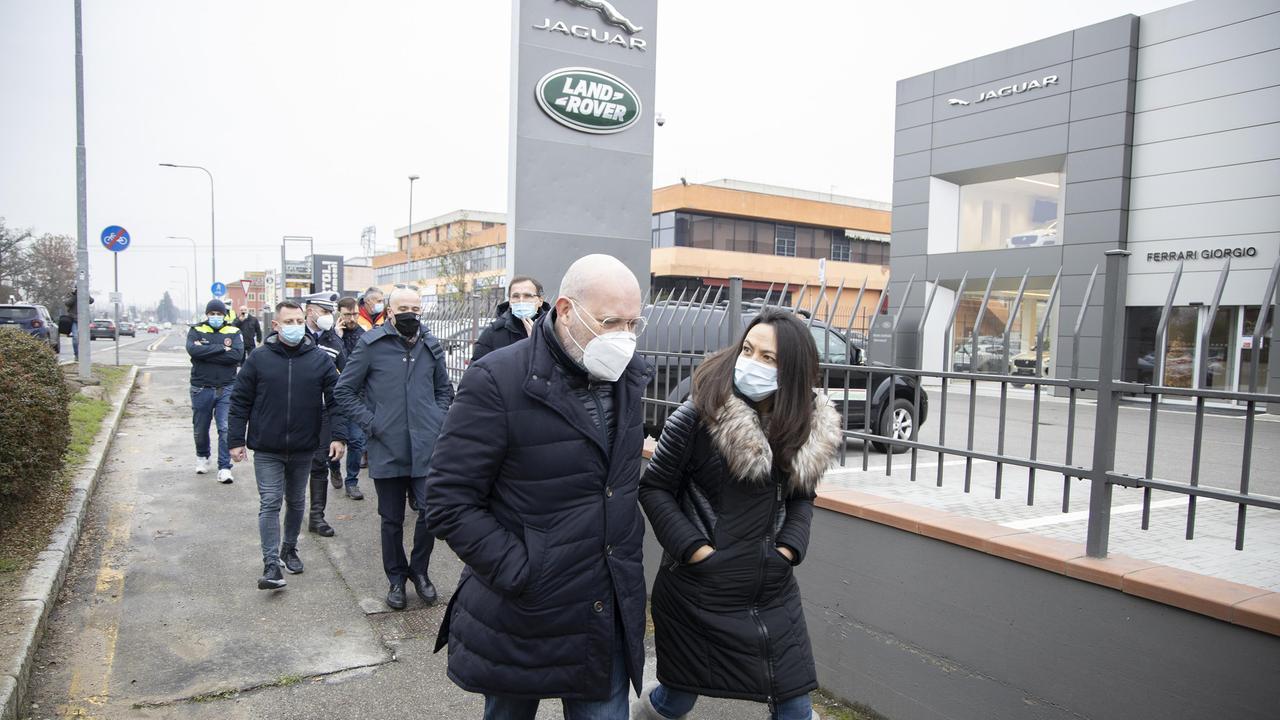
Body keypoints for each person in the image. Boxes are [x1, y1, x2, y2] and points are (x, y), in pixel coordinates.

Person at [425, 254, 653, 719]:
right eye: (611, 321)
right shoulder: (496, 379)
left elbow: (617, 485)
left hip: (603, 608)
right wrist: (522, 570)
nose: (623, 338)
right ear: (566, 310)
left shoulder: (629, 377)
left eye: (633, 323)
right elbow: (449, 502)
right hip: (520, 613)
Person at [633, 308, 841, 720]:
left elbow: (803, 497)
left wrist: (788, 551)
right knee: (676, 698)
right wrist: (695, 551)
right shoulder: (697, 415)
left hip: (772, 590)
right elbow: (654, 488)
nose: (752, 363)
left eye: (769, 358)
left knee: (796, 705)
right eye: (749, 349)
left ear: (793, 371)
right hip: (699, 592)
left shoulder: (804, 425)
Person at [336, 286, 453, 610]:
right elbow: (344, 391)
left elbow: (444, 389)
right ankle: (396, 579)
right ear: (389, 311)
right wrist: (373, 424)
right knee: (391, 519)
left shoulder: (430, 344)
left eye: (415, 308)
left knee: (430, 513)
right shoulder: (371, 345)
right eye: (403, 307)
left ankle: (420, 571)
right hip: (387, 447)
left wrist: (437, 419)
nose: (410, 314)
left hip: (426, 447)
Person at [228, 300, 347, 591]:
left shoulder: (319, 360)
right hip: (267, 448)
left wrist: (338, 435)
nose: (294, 327)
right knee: (270, 502)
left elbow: (336, 400)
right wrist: (235, 440)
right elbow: (239, 401)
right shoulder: (259, 359)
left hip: (304, 447)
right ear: (276, 325)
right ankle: (271, 564)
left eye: (298, 321)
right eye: (288, 322)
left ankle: (289, 548)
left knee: (296, 502)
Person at [186, 299, 245, 484]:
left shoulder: (234, 331)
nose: (216, 317)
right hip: (201, 387)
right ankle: (202, 456)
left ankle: (225, 467)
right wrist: (221, 349)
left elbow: (236, 355)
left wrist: (207, 352)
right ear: (207, 314)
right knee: (200, 428)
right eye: (212, 314)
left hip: (226, 387)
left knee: (225, 428)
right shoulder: (197, 330)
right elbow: (193, 351)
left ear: (224, 315)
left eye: (219, 314)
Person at [302, 296, 346, 536]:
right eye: (324, 310)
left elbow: (346, 376)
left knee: (320, 463)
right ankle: (293, 511)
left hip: (324, 411)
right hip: (296, 411)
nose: (329, 315)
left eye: (331, 311)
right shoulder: (295, 335)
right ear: (310, 311)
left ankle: (317, 517)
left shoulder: (334, 341)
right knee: (295, 465)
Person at [470, 276, 550, 363]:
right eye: (515, 296)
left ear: (540, 301)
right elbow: (475, 372)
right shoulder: (493, 333)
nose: (521, 301)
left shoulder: (553, 330)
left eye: (527, 296)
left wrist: (539, 345)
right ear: (510, 301)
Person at [335, 297, 366, 500]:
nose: (352, 318)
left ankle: (352, 481)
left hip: (357, 396)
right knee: (335, 440)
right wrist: (337, 338)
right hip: (334, 397)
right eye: (347, 314)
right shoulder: (332, 336)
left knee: (356, 441)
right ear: (339, 314)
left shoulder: (364, 336)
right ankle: (334, 468)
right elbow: (341, 364)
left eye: (355, 313)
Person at [63, 288, 93, 361]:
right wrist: (75, 296)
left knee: (84, 338)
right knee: (75, 337)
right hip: (74, 320)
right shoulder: (72, 295)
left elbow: (91, 301)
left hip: (83, 320)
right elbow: (67, 303)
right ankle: (76, 354)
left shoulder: (85, 295)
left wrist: (86, 294)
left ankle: (84, 355)